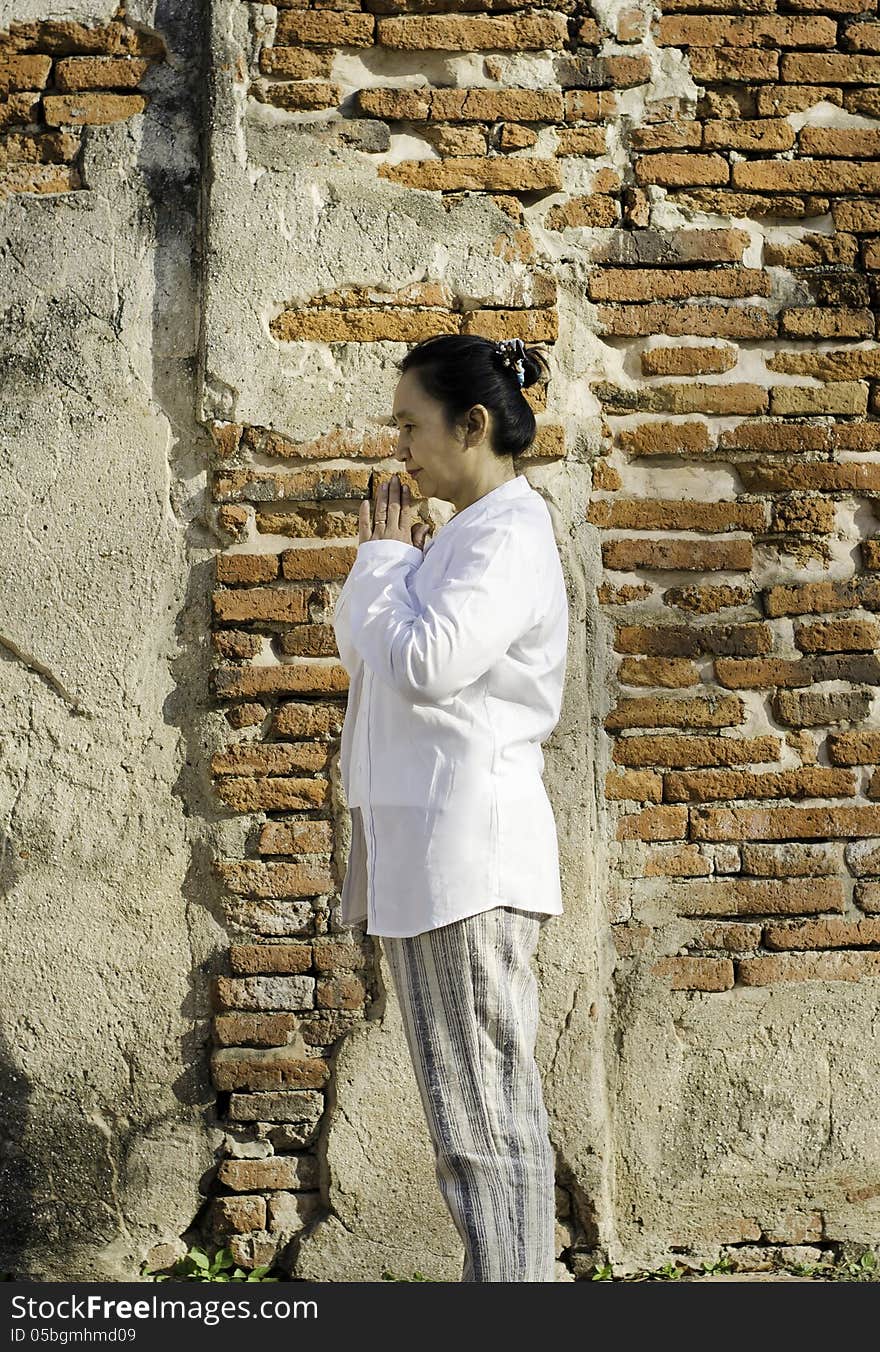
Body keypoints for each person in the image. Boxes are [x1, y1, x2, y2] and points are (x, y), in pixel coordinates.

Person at [332, 333, 569, 1282]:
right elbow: (372, 662)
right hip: (434, 864)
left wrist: (384, 563)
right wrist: (389, 568)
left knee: (488, 1128)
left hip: (473, 864)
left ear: (472, 425)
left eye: (410, 424)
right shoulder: (463, 539)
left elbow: (423, 664)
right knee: (468, 1125)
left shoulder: (509, 534)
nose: (400, 446)